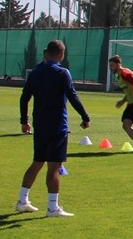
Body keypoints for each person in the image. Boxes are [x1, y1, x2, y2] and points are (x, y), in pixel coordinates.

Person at [17, 40, 91, 217]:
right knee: (54, 167)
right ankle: (52, 207)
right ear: (62, 54)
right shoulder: (62, 73)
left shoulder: (35, 72)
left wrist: (24, 121)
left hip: (40, 126)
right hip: (57, 126)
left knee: (37, 162)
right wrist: (85, 116)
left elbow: (24, 98)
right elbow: (72, 96)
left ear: (46, 53)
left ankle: (22, 201)